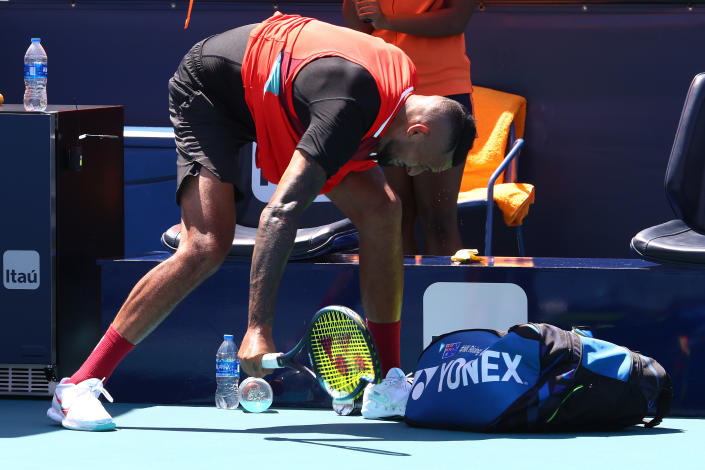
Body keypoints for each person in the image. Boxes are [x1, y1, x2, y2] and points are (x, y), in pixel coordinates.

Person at [46, 12, 476, 431]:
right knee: (206, 246)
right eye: (426, 165)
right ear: (418, 132)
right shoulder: (348, 105)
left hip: (278, 93)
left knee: (384, 210)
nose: (416, 173)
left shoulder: (392, 93)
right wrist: (257, 328)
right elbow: (281, 211)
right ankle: (79, 384)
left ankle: (388, 384)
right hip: (210, 93)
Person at [343, 0, 475, 256]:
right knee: (393, 216)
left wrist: (389, 21)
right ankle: (397, 297)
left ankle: (443, 295)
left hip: (442, 92)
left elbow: (456, 20)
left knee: (438, 220)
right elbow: (362, 27)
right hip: (387, 92)